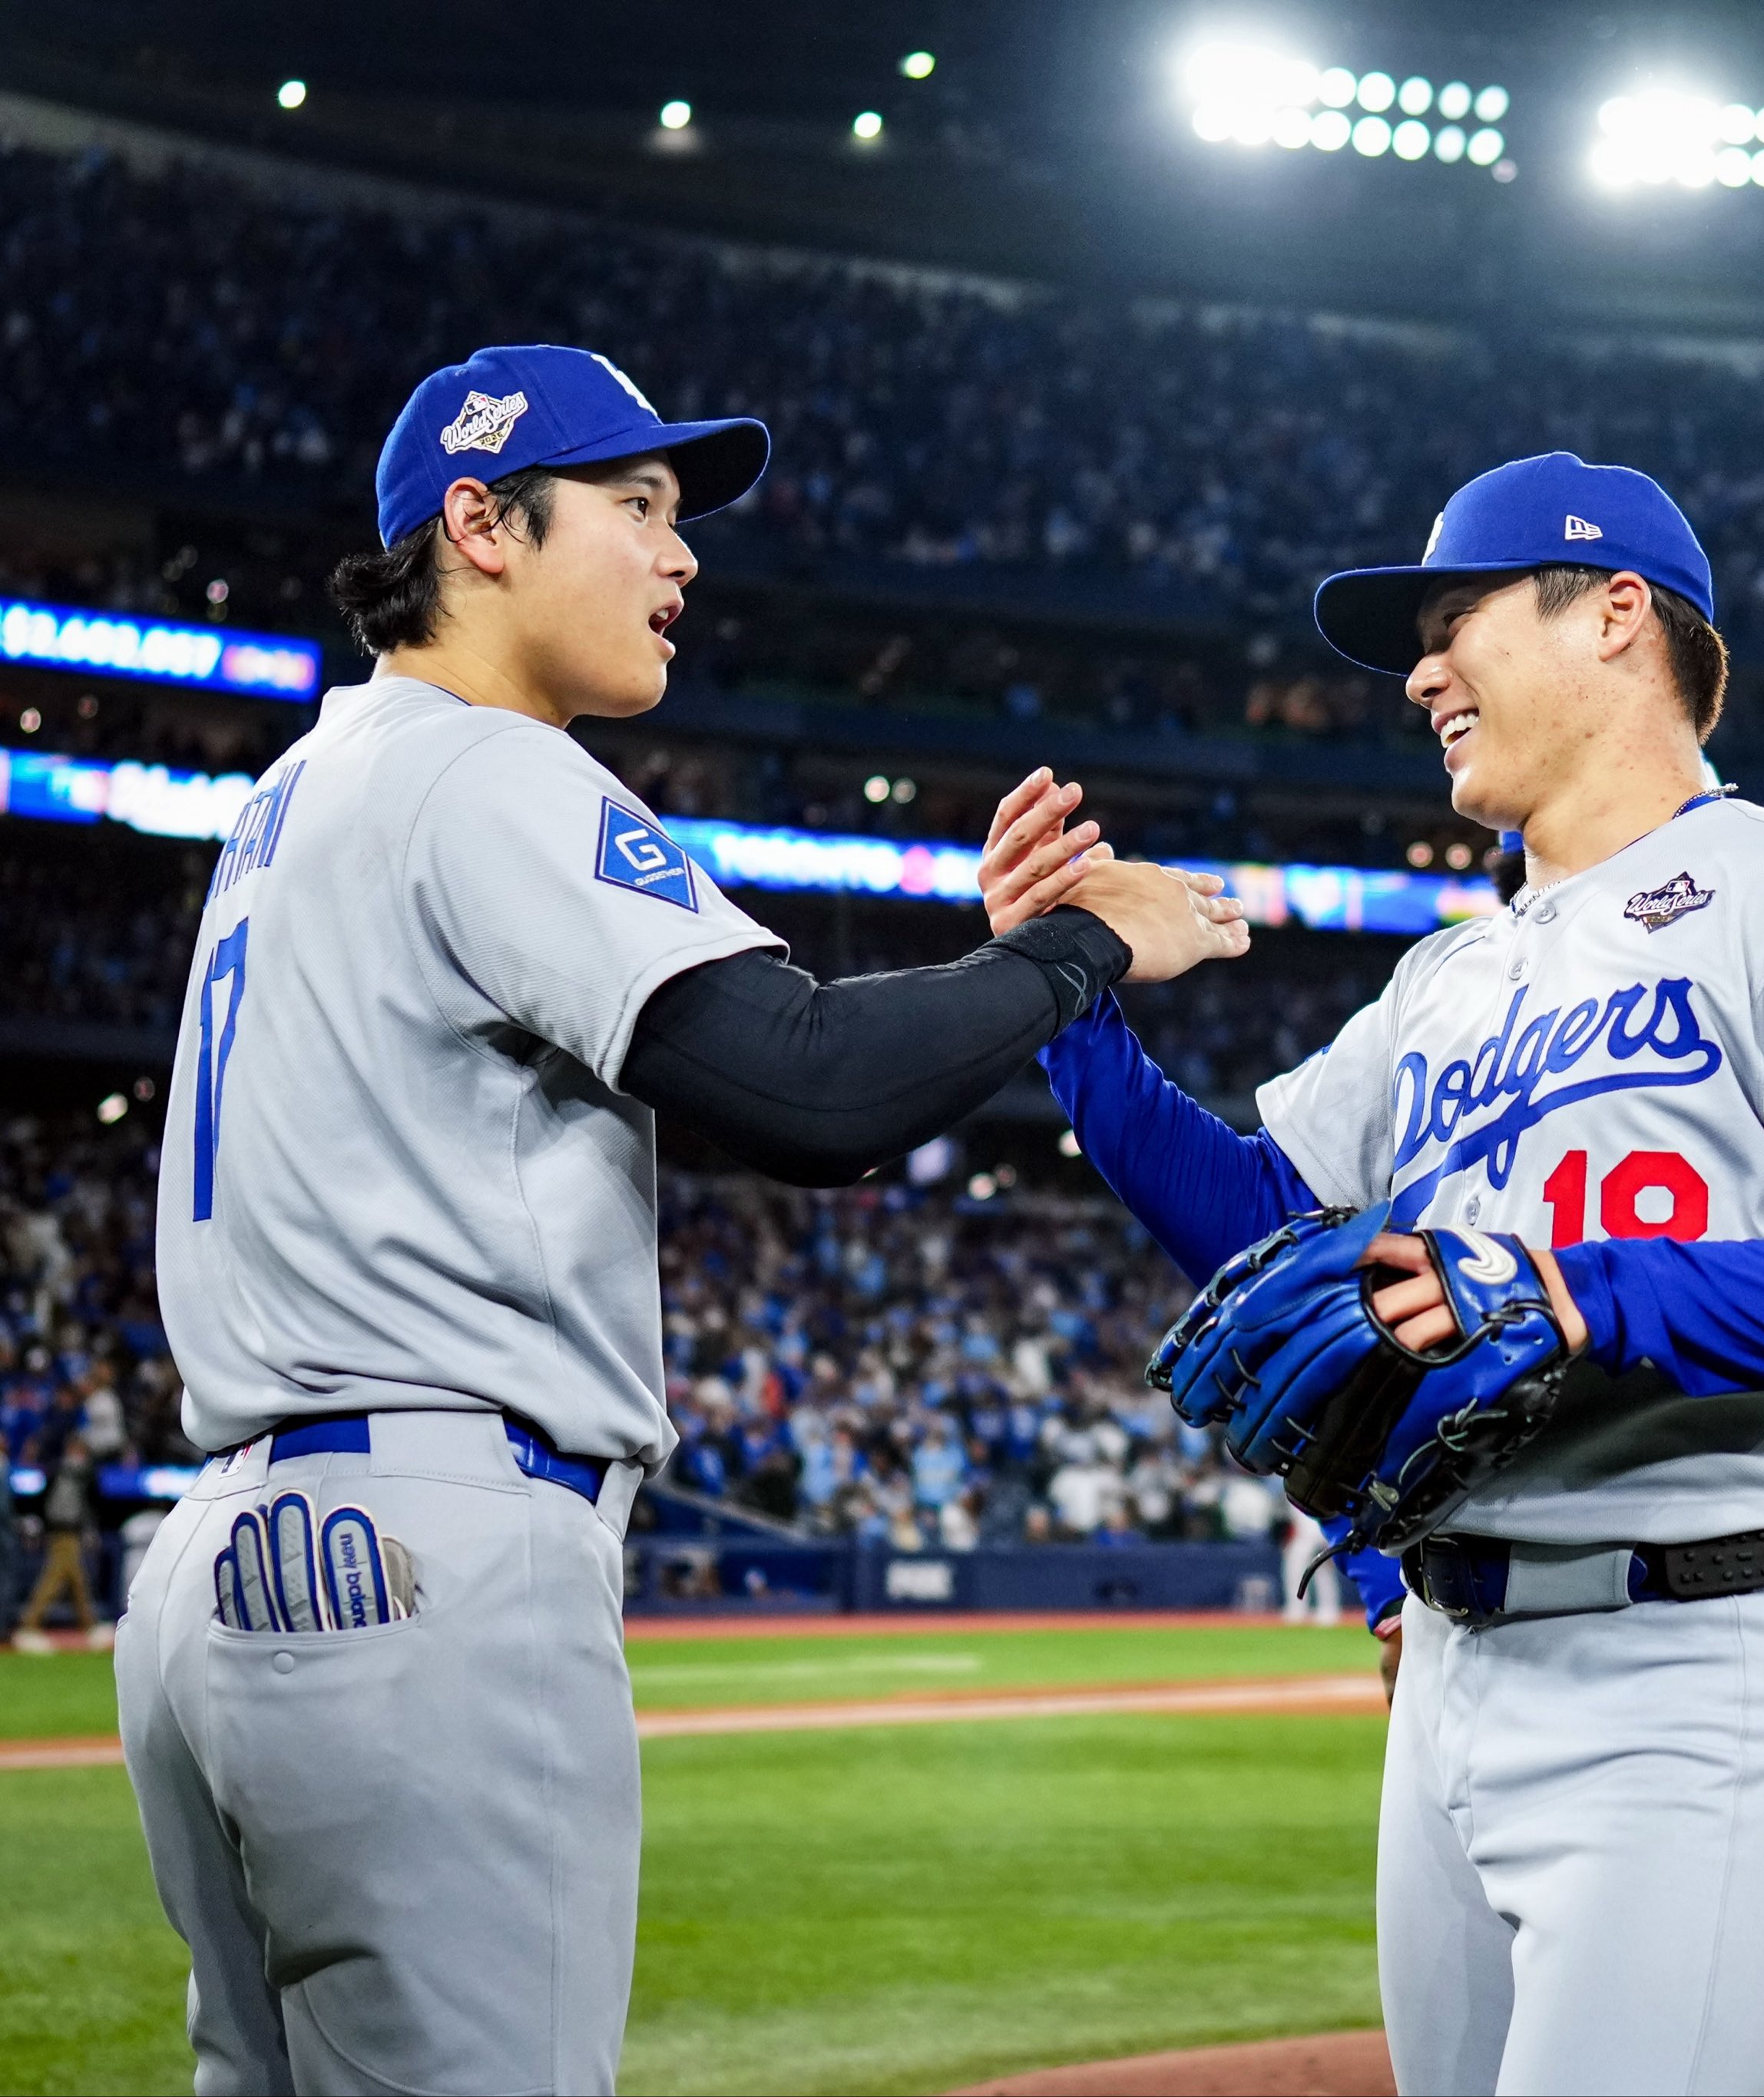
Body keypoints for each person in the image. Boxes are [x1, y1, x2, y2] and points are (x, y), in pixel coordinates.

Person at [114, 342, 1245, 2097]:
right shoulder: (485, 770)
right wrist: (1082, 949)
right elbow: (807, 1091)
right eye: (635, 506)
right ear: (481, 527)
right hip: (426, 1562)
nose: (682, 552)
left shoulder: (301, 791)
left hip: (223, 1571)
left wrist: (983, 978)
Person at [1012, 450, 1764, 2095]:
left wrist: (1594, 1291)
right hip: (1441, 1671)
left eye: (1457, 617)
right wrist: (1065, 1003)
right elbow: (1270, 1232)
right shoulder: (1445, 975)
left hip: (1691, 1670)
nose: (1421, 670)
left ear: (1616, 616)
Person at [11, 1433, 104, 1651]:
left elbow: (42, 1500)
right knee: (58, 1578)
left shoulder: (56, 1469)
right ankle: (31, 1622)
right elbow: (91, 1503)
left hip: (58, 1530)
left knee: (73, 1578)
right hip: (68, 1531)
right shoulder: (83, 1472)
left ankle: (87, 1622)